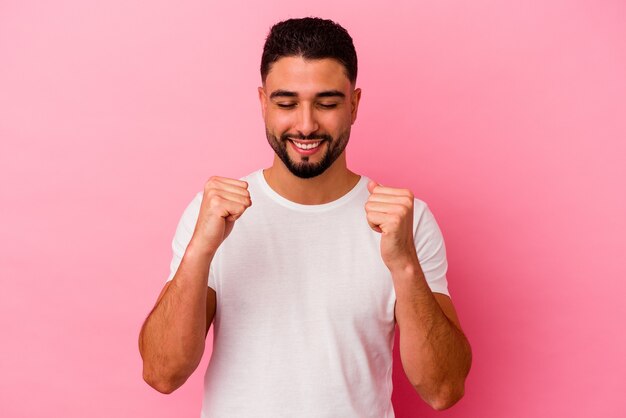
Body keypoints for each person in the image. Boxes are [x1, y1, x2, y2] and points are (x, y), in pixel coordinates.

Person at [139, 17, 472, 417]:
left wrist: (403, 264)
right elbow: (162, 373)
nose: (306, 124)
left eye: (327, 103)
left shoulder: (407, 221)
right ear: (263, 103)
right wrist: (200, 250)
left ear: (354, 104)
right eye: (286, 103)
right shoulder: (212, 215)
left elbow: (443, 389)